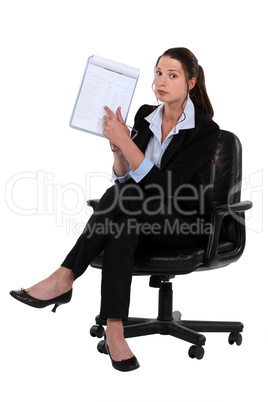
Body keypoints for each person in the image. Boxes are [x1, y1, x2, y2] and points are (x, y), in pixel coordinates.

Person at [10, 47, 220, 372]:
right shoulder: (145, 116)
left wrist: (127, 144)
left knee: (118, 198)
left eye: (172, 75)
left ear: (191, 82)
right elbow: (125, 177)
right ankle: (116, 331)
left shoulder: (206, 131)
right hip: (139, 220)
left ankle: (65, 275)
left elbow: (165, 190)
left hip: (183, 226)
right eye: (158, 72)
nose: (160, 81)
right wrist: (117, 149)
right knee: (122, 223)